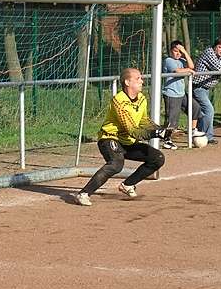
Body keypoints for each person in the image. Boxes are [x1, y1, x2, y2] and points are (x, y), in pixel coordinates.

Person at [74, 68, 166, 206]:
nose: (142, 81)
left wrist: (161, 130)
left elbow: (143, 121)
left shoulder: (141, 98)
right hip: (110, 138)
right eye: (138, 78)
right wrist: (154, 134)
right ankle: (84, 193)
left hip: (127, 142)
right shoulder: (119, 101)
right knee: (116, 164)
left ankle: (128, 185)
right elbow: (131, 130)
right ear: (127, 82)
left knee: (157, 158)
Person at [192, 37, 221, 144]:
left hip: (206, 88)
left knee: (203, 112)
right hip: (198, 87)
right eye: (220, 47)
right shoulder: (209, 53)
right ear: (215, 47)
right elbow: (220, 69)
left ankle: (201, 135)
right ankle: (207, 136)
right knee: (209, 110)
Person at [161, 40, 205, 149]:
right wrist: (188, 70)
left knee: (195, 108)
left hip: (181, 93)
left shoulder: (182, 59)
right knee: (172, 120)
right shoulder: (168, 60)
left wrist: (184, 52)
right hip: (171, 94)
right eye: (176, 51)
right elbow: (177, 71)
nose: (178, 54)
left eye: (179, 52)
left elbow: (191, 66)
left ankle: (193, 130)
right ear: (171, 51)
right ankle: (167, 140)